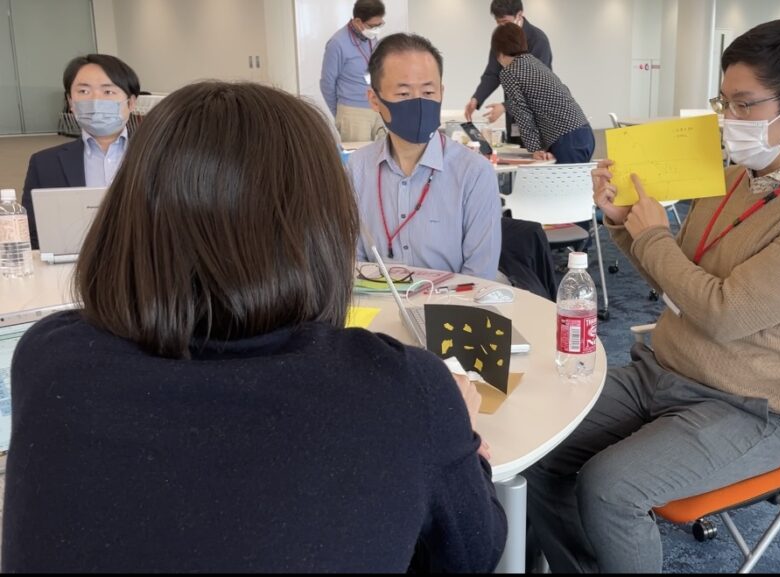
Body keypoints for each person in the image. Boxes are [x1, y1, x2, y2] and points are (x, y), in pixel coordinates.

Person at [2, 81, 506, 573]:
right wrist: (461, 438)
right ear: (323, 227)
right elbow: (471, 552)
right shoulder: (400, 389)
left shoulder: (49, 359)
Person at [524, 19, 780, 573]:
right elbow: (676, 280)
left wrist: (653, 236)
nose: (729, 119)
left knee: (610, 489)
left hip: (748, 407)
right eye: (723, 102)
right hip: (661, 372)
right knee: (539, 444)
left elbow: (724, 313)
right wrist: (625, 224)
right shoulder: (732, 180)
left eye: (745, 105)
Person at [348, 33, 502, 280]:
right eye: (403, 94)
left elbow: (480, 277)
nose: (419, 103)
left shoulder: (474, 173)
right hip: (378, 301)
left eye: (429, 92)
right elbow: (351, 263)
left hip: (453, 302)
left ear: (441, 93)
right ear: (374, 100)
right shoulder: (357, 169)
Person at [22, 53, 140, 249]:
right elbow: (32, 232)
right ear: (71, 102)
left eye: (108, 91)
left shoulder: (163, 156)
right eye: (84, 91)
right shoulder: (45, 163)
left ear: (131, 102)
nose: (95, 100)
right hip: (73, 263)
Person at [492, 22, 593, 164]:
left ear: (499, 53)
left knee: (563, 179)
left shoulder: (509, 72)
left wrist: (535, 149)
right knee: (578, 178)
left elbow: (522, 112)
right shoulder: (535, 63)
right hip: (584, 132)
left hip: (566, 138)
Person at [464, 0, 552, 131]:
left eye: (505, 22)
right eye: (498, 22)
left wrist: (505, 106)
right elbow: (493, 73)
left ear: (519, 15)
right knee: (513, 143)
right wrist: (477, 98)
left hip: (538, 114)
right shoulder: (501, 36)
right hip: (514, 115)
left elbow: (536, 85)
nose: (501, 27)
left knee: (535, 143)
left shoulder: (538, 39)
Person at [320, 0, 387, 142]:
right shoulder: (337, 43)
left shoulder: (370, 37)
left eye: (380, 24)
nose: (376, 30)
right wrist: (341, 112)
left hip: (377, 107)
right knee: (358, 155)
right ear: (357, 21)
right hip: (353, 112)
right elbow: (327, 83)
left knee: (382, 152)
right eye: (373, 26)